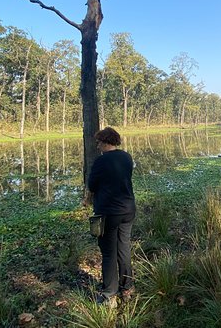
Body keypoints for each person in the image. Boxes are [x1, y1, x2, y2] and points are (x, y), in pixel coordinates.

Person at [87, 127, 136, 307]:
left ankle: (109, 294)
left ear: (106, 142)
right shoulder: (127, 157)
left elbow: (92, 185)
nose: (98, 145)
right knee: (123, 248)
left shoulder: (101, 161)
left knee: (108, 253)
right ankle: (127, 287)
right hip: (128, 210)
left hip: (108, 213)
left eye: (99, 142)